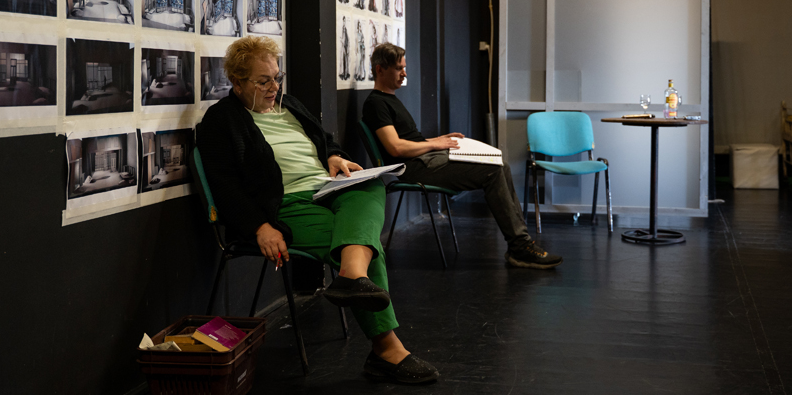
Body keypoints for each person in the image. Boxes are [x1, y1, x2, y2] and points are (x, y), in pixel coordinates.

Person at [197, 36, 438, 384]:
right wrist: (260, 226)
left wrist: (334, 156)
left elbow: (325, 139)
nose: (274, 87)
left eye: (277, 77)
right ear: (237, 82)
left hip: (327, 187)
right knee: (364, 243)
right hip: (285, 204)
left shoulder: (290, 105)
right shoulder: (222, 120)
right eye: (263, 81)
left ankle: (351, 277)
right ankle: (386, 348)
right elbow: (224, 187)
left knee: (370, 184)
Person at [362, 43, 563, 270]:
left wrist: (438, 140)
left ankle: (521, 244)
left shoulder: (390, 100)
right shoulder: (376, 103)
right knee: (493, 170)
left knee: (501, 165)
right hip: (414, 168)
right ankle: (520, 247)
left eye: (404, 68)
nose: (404, 73)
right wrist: (434, 144)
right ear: (380, 70)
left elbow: (409, 141)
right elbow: (395, 148)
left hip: (425, 159)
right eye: (399, 68)